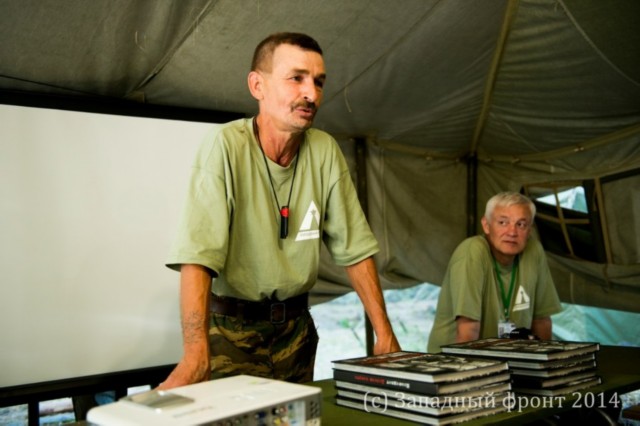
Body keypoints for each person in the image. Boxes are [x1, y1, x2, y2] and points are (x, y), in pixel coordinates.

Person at [158, 32, 400, 389]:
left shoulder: (325, 150)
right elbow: (198, 258)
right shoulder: (224, 146)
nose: (311, 93)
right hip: (232, 334)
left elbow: (356, 249)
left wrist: (385, 334)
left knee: (299, 414)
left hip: (297, 330)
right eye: (296, 78)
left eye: (319, 82)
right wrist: (195, 354)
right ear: (258, 86)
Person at [427, 192, 562, 353]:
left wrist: (546, 363)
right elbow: (468, 329)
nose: (512, 232)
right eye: (503, 222)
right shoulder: (472, 252)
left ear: (529, 230)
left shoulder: (533, 251)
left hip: (507, 357)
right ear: (486, 225)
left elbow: (542, 320)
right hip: (453, 359)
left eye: (521, 224)